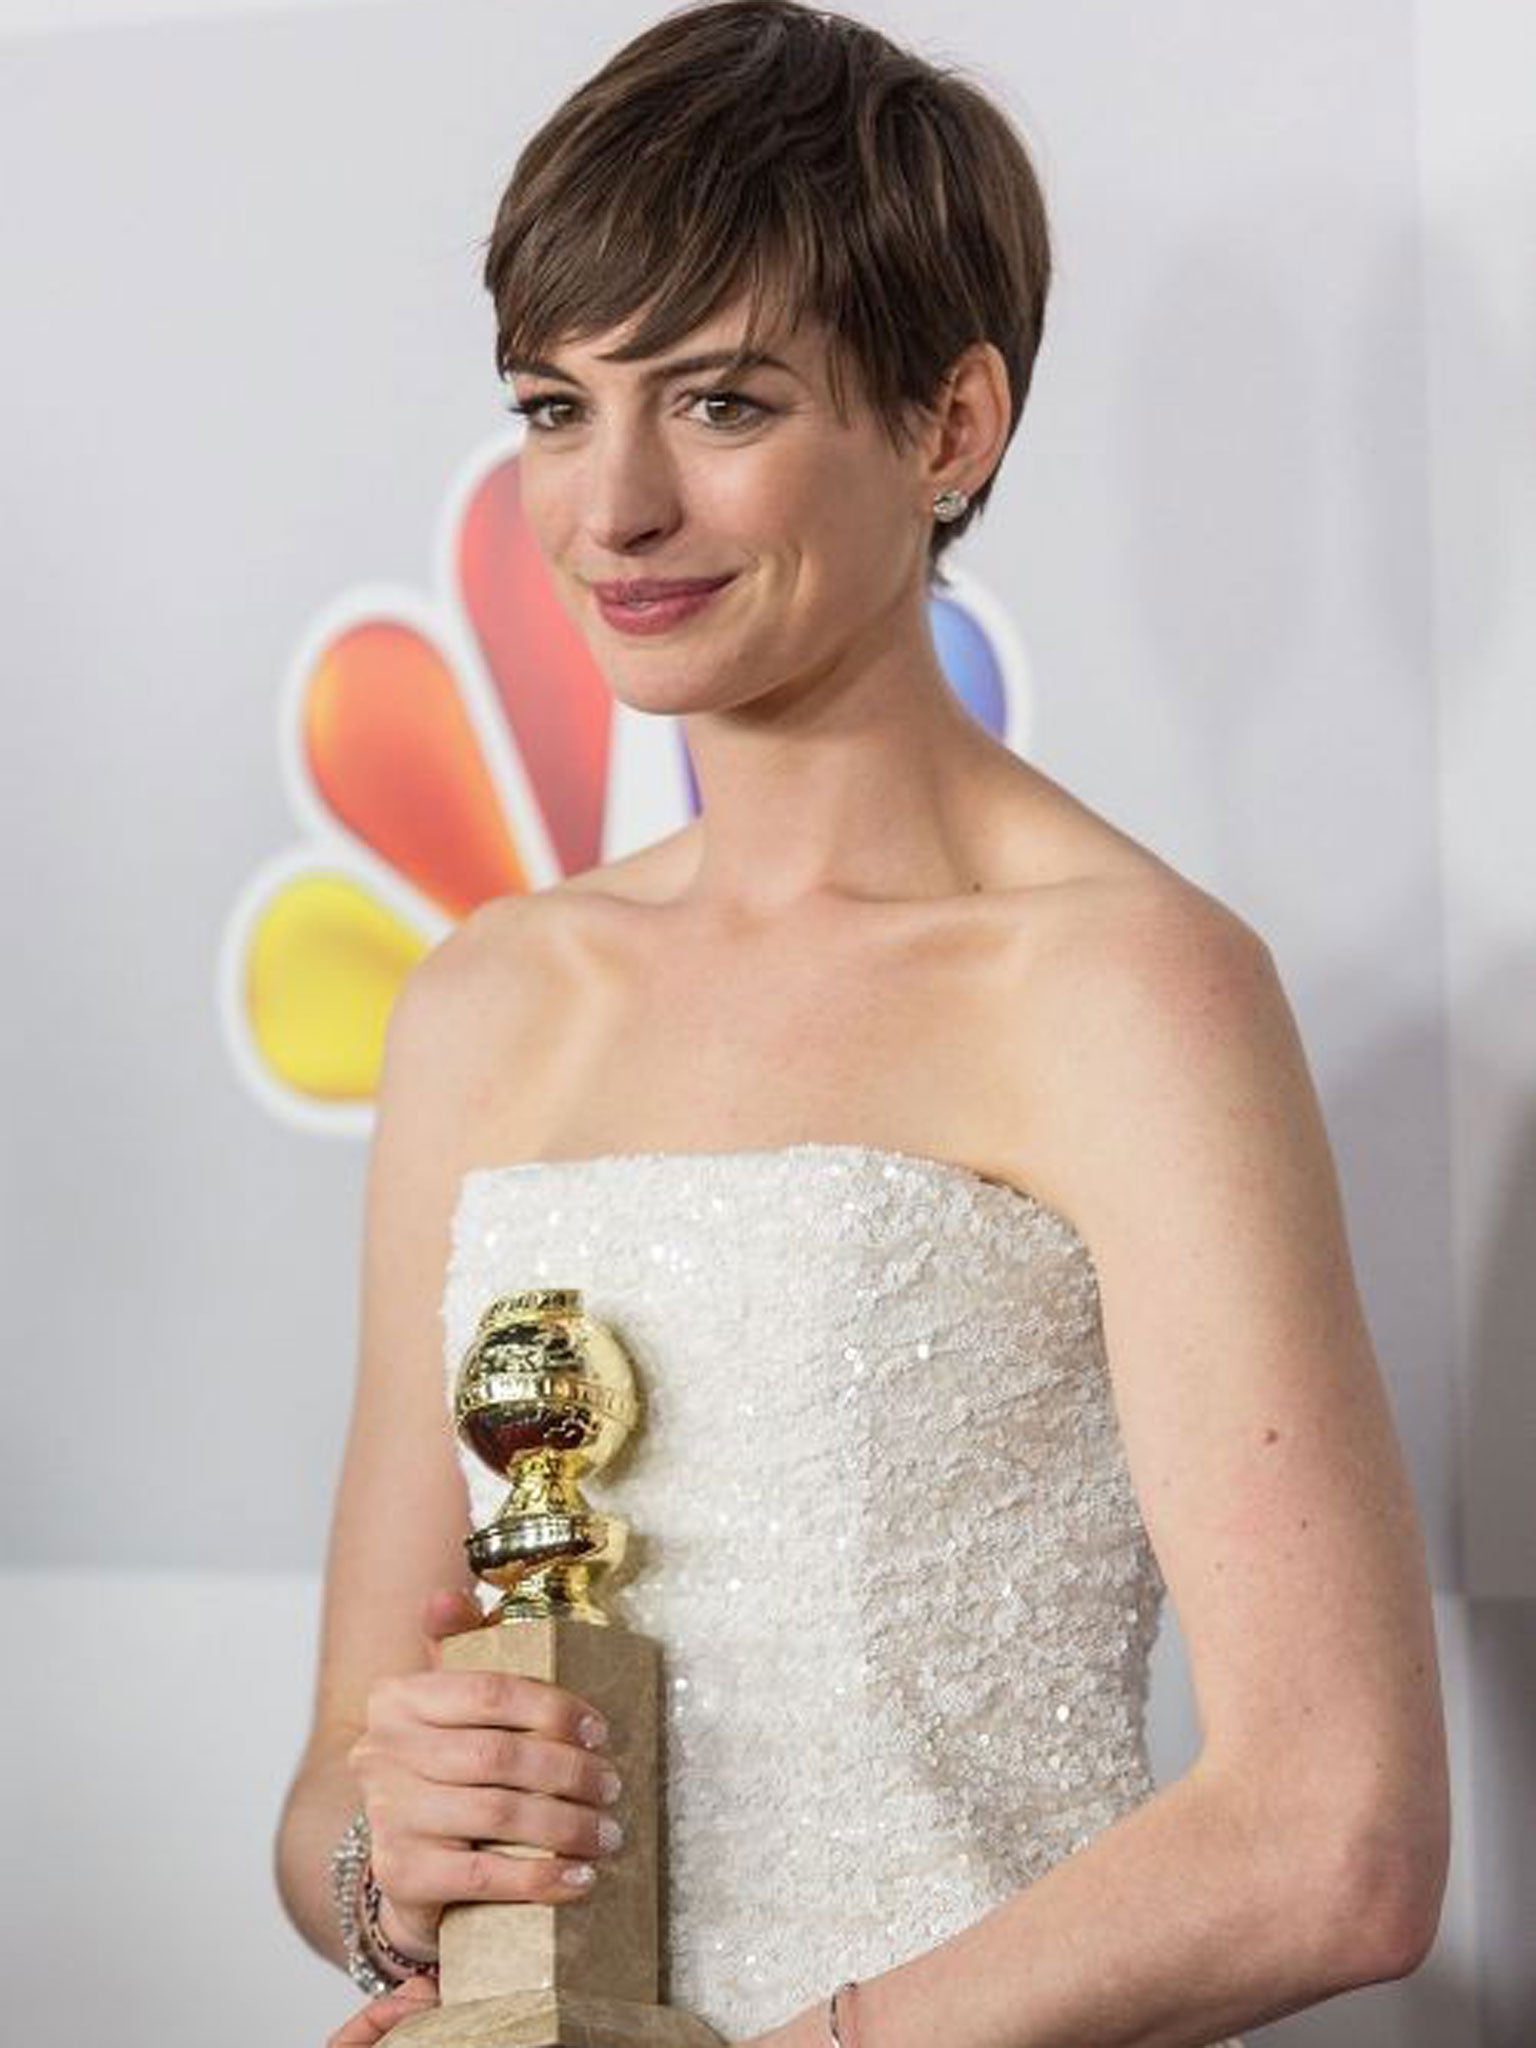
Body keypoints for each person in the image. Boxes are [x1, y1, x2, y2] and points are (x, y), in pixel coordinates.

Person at [279, 4, 1451, 2044]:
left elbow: (1333, 1835)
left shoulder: (1125, 985)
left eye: (721, 401)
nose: (611, 508)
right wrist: (395, 1857)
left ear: (950, 426)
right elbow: (332, 1814)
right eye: (557, 408)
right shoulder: (486, 1003)